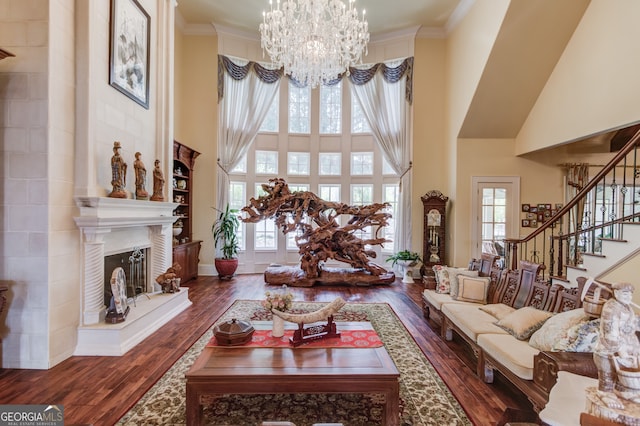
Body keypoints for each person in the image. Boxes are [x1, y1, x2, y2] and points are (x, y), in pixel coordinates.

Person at [593, 281, 640, 407]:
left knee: (623, 380)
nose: (629, 297)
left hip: (629, 350)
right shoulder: (611, 308)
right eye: (625, 294)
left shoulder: (627, 307)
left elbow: (632, 325)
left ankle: (622, 392)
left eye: (630, 294)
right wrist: (622, 352)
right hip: (609, 352)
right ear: (616, 293)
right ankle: (605, 394)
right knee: (607, 377)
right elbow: (610, 332)